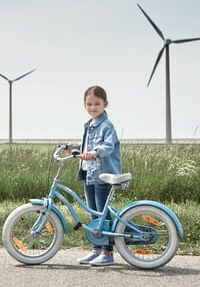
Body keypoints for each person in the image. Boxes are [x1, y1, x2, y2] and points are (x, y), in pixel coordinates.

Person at [69, 85, 121, 266]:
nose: (93, 108)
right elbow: (85, 147)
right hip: (88, 175)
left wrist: (96, 152)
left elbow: (108, 146)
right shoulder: (89, 125)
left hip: (102, 176)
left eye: (97, 104)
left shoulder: (107, 126)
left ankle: (108, 253)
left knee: (102, 215)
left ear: (105, 104)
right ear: (84, 105)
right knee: (93, 215)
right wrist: (74, 147)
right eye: (89, 104)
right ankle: (96, 249)